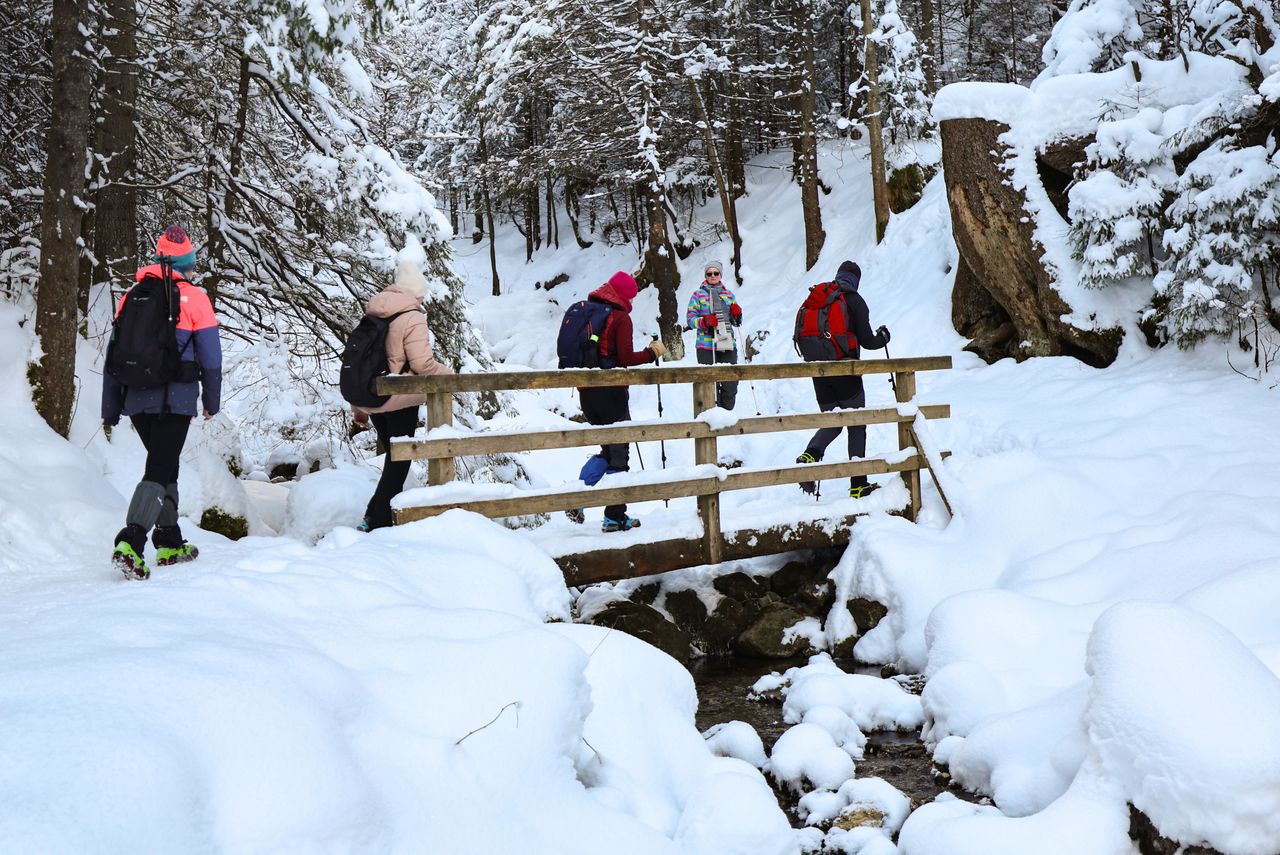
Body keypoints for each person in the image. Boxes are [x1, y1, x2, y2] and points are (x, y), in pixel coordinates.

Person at [103, 226, 222, 580]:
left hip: (137, 398)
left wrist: (111, 408)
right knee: (159, 468)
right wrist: (211, 402)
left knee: (165, 465)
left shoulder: (132, 295)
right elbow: (211, 359)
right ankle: (131, 540)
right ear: (189, 261)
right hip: (176, 398)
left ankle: (169, 540)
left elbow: (113, 355)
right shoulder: (195, 299)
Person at [352, 260, 453, 531]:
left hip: (374, 399)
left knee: (393, 458)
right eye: (421, 294)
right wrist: (449, 375)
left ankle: (372, 516)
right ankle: (378, 522)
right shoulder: (412, 316)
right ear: (414, 292)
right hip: (400, 399)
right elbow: (423, 365)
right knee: (399, 461)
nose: (423, 300)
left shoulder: (374, 312)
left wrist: (357, 406)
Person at [571, 271, 666, 532]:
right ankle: (614, 516)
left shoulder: (591, 310)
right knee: (619, 457)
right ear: (625, 295)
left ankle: (576, 497)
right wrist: (651, 353)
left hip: (587, 393)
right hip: (611, 394)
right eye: (632, 296)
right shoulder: (620, 317)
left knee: (607, 451)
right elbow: (624, 358)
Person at [795, 260, 891, 498]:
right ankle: (858, 484)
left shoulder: (819, 297)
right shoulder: (854, 300)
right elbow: (868, 341)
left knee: (833, 420)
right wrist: (884, 337)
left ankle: (811, 454)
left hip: (818, 372)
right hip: (845, 371)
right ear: (856, 280)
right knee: (856, 423)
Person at [685, 261, 742, 410]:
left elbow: (736, 323)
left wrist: (737, 314)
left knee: (730, 381)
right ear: (705, 276)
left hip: (726, 340)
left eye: (715, 273)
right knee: (707, 384)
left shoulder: (728, 294)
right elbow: (690, 320)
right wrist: (704, 321)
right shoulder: (698, 295)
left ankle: (726, 413)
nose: (712, 276)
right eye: (709, 273)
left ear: (720, 275)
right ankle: (708, 416)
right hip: (706, 343)